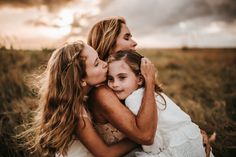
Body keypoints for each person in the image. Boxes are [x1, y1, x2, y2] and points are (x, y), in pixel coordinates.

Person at [87, 16, 213, 156]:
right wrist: (149, 82)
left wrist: (192, 133)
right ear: (109, 44)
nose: (134, 43)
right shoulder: (103, 92)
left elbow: (167, 118)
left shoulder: (127, 84)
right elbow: (146, 136)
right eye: (127, 38)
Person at [22, 40, 155, 157]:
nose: (104, 64)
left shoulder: (80, 99)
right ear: (81, 80)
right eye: (96, 63)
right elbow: (105, 154)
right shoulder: (76, 113)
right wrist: (137, 139)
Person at [106, 50, 215, 157]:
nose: (115, 84)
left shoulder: (133, 99)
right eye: (110, 79)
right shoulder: (154, 93)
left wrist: (151, 152)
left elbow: (151, 138)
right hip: (193, 138)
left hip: (176, 147)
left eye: (122, 77)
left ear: (139, 79)